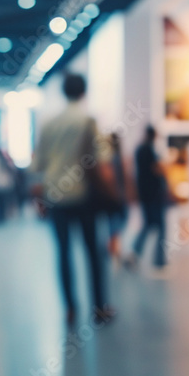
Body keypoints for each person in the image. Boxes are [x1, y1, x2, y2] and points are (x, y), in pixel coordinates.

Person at [32, 73, 116, 325]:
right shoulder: (87, 121)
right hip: (83, 195)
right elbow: (104, 156)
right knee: (93, 253)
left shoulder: (49, 123)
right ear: (83, 92)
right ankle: (99, 307)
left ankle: (70, 308)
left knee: (63, 252)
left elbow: (39, 163)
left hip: (56, 195)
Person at [127, 125, 168, 270]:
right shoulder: (148, 150)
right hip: (153, 195)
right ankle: (159, 261)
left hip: (145, 194)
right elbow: (156, 169)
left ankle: (134, 253)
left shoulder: (139, 149)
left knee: (148, 225)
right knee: (161, 228)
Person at [106, 133, 130, 260]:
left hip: (115, 195)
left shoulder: (112, 158)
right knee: (117, 222)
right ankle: (113, 248)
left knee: (114, 223)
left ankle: (113, 248)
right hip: (118, 196)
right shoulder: (115, 158)